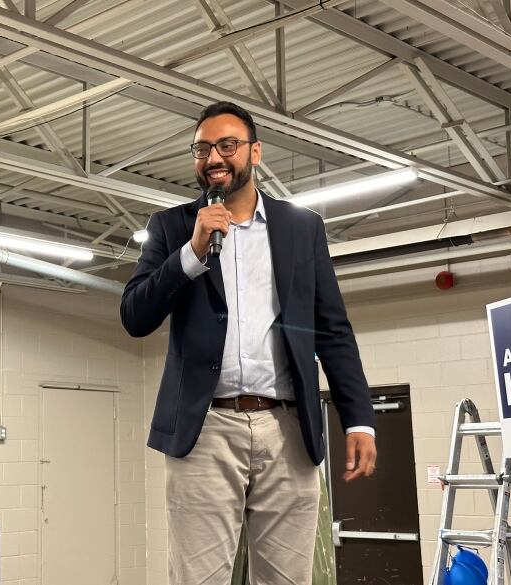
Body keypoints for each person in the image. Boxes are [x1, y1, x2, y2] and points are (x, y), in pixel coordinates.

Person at [120, 101, 377, 585]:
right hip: (205, 430)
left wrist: (359, 418)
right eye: (202, 148)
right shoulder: (171, 227)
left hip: (289, 430)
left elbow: (333, 330)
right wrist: (191, 254)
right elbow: (134, 316)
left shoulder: (303, 229)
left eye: (227, 145)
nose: (213, 157)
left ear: (254, 152)